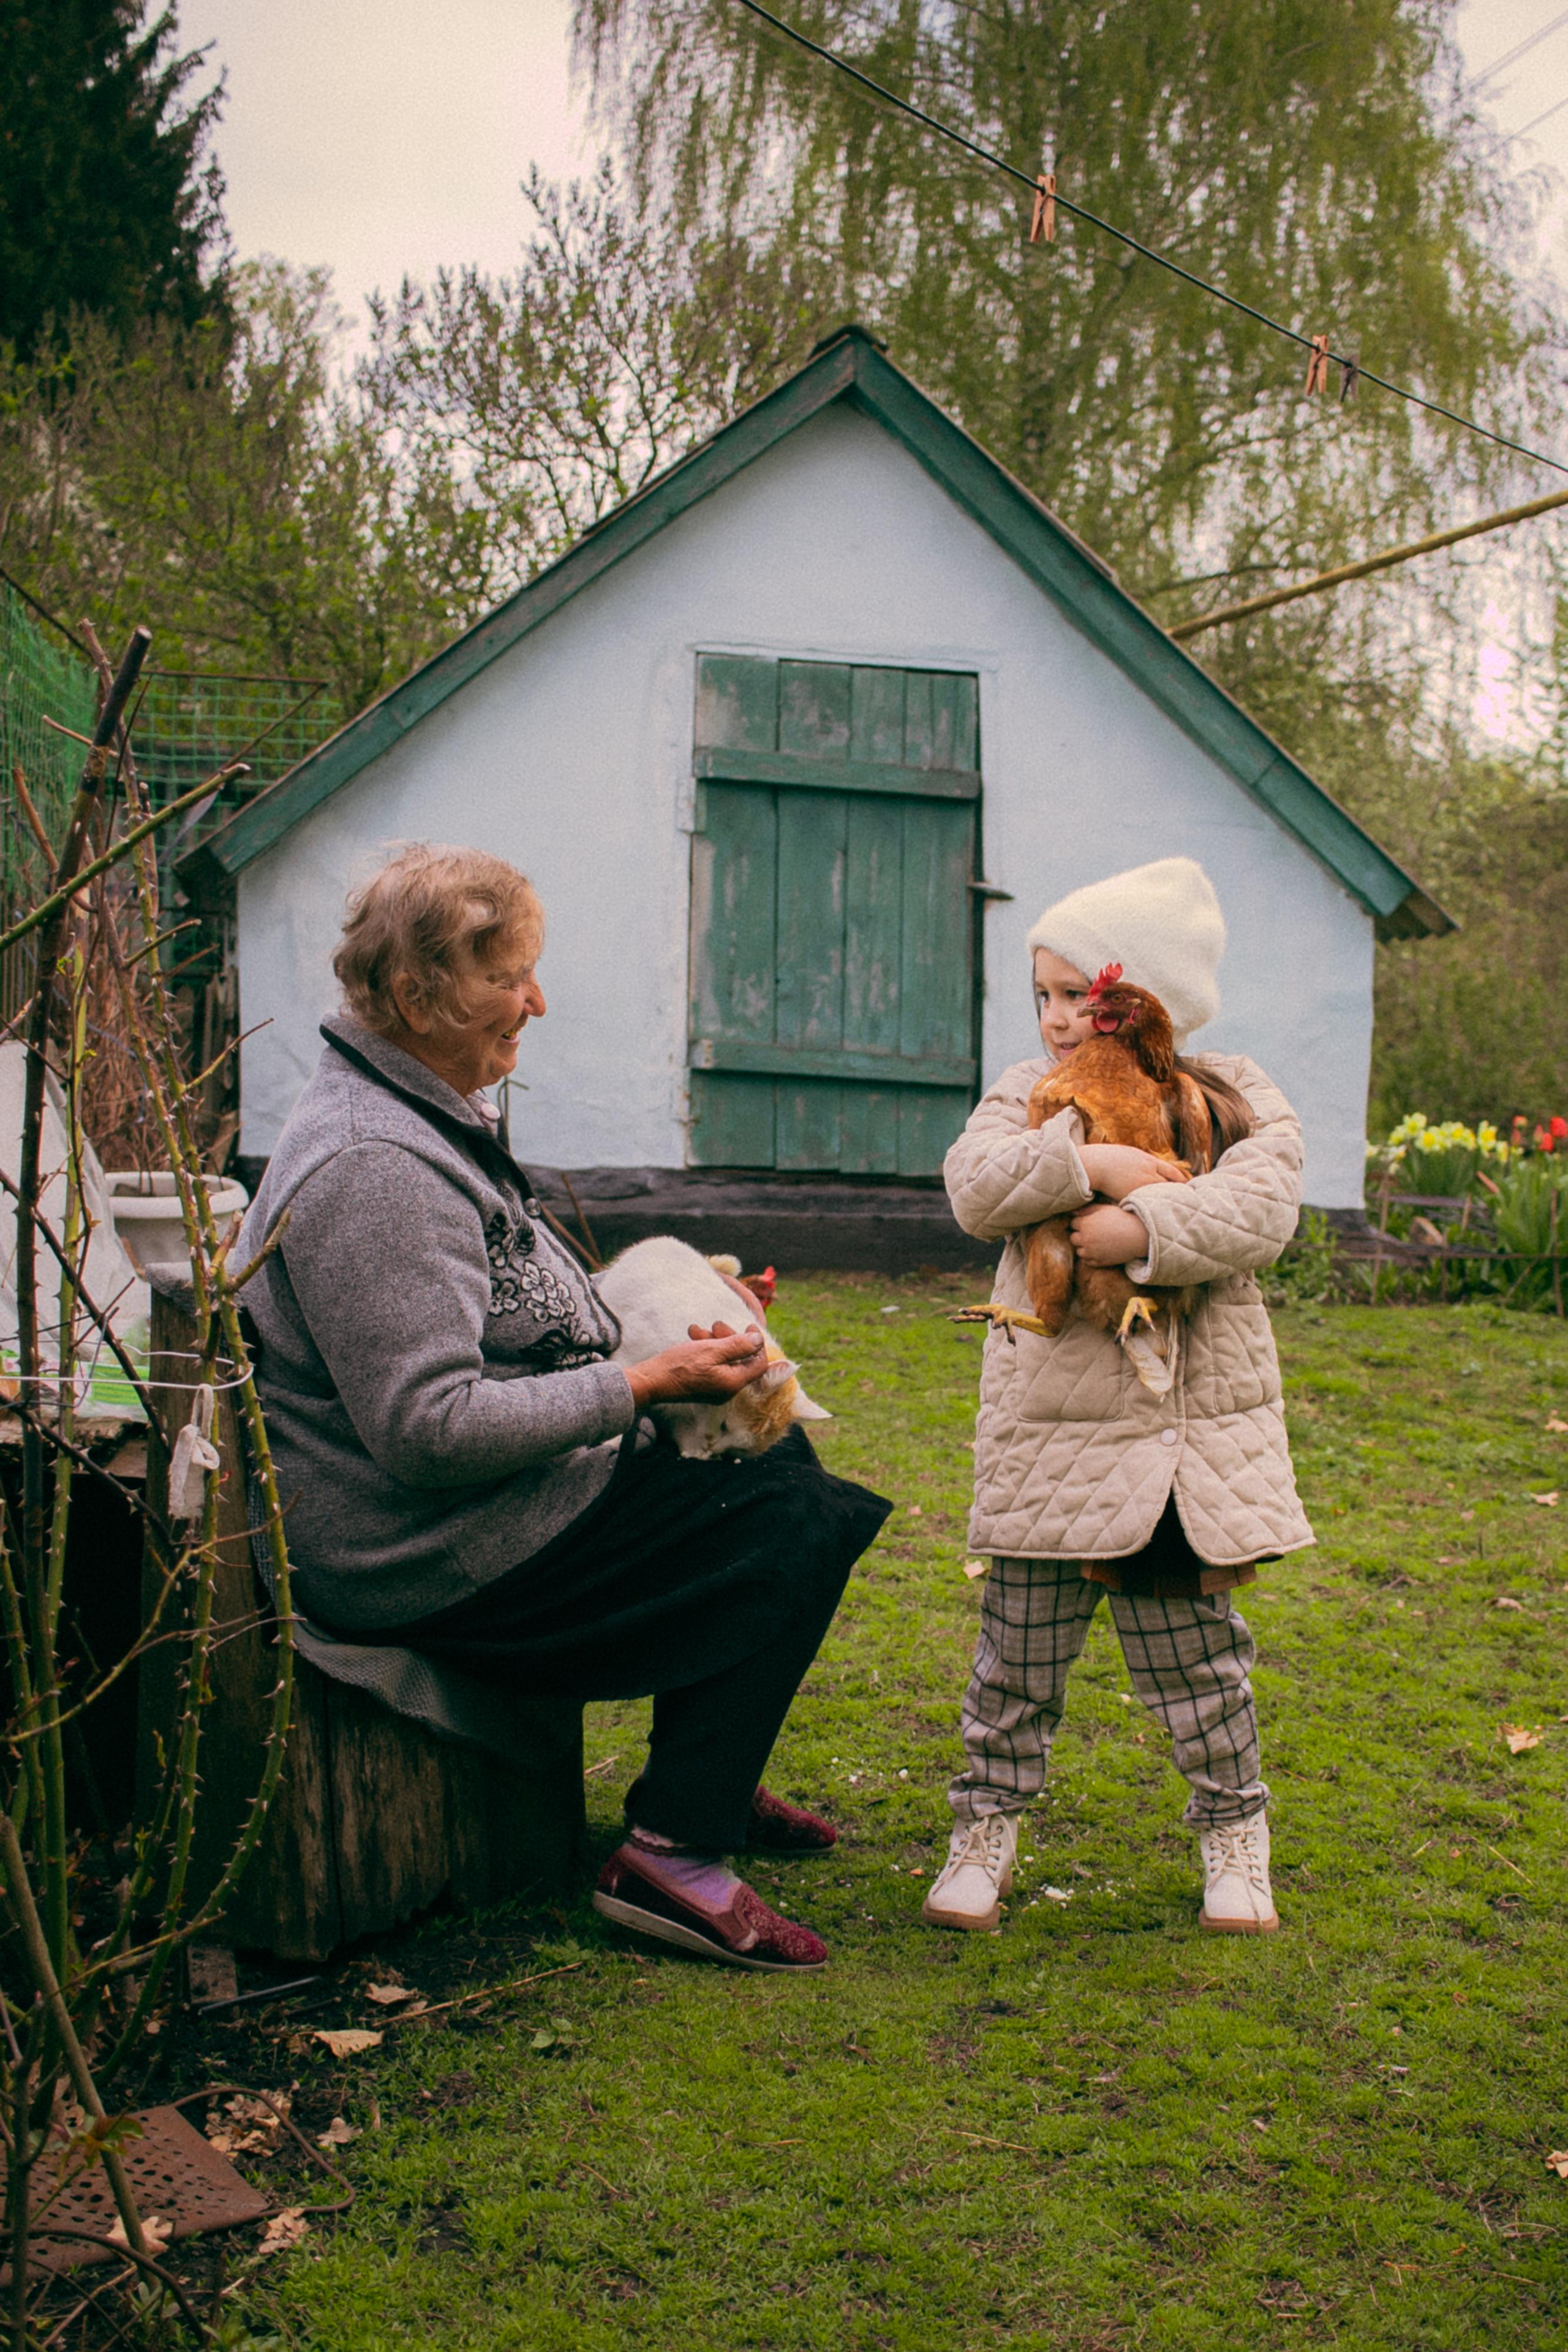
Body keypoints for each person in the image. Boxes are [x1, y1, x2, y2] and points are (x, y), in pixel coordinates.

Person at [237, 843, 889, 1975]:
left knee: (774, 1466)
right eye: (508, 979)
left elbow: (509, 1305)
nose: (536, 1003)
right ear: (416, 997)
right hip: (418, 1549)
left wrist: (684, 1308)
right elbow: (427, 1430)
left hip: (483, 1507)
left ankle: (706, 1778)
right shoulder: (371, 1166)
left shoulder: (418, 1107)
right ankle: (672, 1858)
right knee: (785, 1524)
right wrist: (643, 1383)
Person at [921, 857, 1312, 1937]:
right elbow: (977, 1188)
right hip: (1052, 1439)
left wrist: (1140, 1229)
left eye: (1075, 994)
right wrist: (1095, 1167)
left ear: (1146, 995)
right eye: (1040, 994)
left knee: (1197, 1665)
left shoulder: (1231, 1094)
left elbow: (1263, 1209)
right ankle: (986, 1827)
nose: (1054, 1018)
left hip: (1181, 1450)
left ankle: (1233, 1831)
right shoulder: (1024, 1093)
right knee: (1017, 1658)